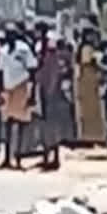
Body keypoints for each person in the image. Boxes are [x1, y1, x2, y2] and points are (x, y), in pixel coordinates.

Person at [0, 22, 38, 169]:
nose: (10, 37)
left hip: (21, 85)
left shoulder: (24, 49)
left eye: (12, 34)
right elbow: (0, 71)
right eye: (7, 34)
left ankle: (19, 157)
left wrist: (32, 92)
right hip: (7, 88)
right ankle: (7, 158)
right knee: (7, 124)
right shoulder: (3, 51)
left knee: (21, 124)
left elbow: (32, 70)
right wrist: (0, 90)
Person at [34, 22, 71, 171]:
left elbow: (55, 71)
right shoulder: (39, 47)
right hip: (42, 88)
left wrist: (52, 88)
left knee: (53, 125)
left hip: (52, 90)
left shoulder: (51, 48)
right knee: (43, 124)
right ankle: (45, 155)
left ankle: (54, 157)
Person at [73, 25, 107, 147]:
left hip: (88, 80)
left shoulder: (85, 48)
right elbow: (89, 62)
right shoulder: (87, 48)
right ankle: (91, 137)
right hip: (88, 79)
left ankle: (92, 136)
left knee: (91, 110)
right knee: (90, 110)